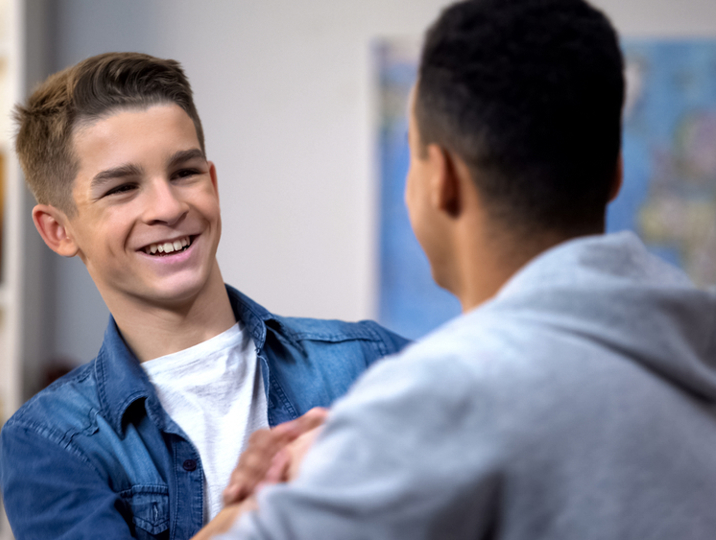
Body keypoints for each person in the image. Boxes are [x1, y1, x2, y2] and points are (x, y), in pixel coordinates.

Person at [202, 0, 716, 538]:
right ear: (615, 174)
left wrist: (275, 493)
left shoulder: (444, 400)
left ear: (440, 177)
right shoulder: (691, 360)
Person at [0, 52, 408, 540]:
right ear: (59, 230)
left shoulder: (369, 360)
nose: (168, 208)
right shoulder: (50, 440)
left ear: (212, 182)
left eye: (184, 173)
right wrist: (261, 506)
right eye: (123, 188)